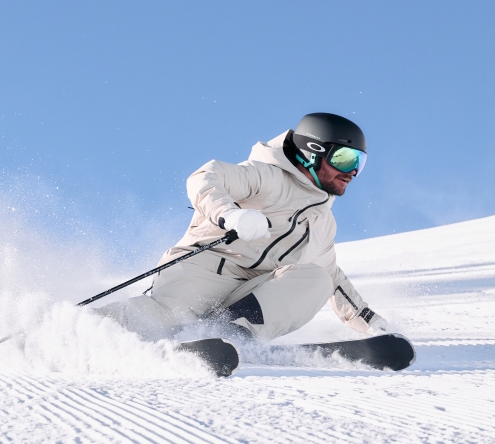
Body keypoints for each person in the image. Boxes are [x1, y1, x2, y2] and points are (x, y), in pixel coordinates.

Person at [96, 112, 390, 343]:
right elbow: (204, 177)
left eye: (360, 162)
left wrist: (371, 323)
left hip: (252, 292)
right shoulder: (266, 176)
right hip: (205, 269)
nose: (353, 171)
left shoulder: (323, 222)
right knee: (165, 320)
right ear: (313, 151)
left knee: (317, 279)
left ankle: (231, 333)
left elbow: (333, 278)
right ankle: (76, 329)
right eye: (345, 158)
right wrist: (230, 215)